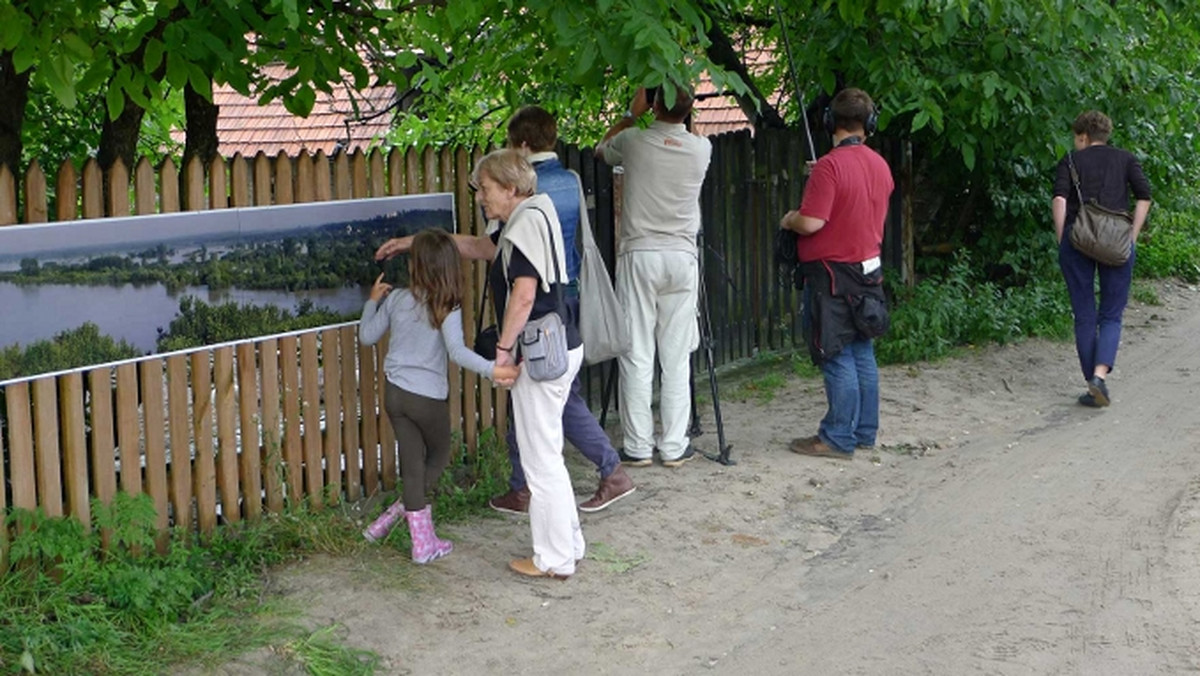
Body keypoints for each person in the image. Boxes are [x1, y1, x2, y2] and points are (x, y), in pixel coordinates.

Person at [380, 150, 586, 579]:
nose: (479, 197)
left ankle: (554, 558)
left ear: (510, 187)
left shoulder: (524, 224)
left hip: (539, 351)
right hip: (561, 343)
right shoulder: (531, 213)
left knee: (540, 460)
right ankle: (569, 544)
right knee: (549, 452)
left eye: (486, 189)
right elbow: (477, 247)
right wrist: (414, 241)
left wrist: (504, 351)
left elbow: (524, 296)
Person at [486, 105, 635, 515]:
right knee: (552, 393)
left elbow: (499, 253)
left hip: (538, 305)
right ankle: (523, 486)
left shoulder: (525, 191)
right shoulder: (569, 179)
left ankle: (608, 471)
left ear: (521, 144)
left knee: (554, 398)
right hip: (570, 297)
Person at [359, 228, 519, 563]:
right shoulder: (446, 305)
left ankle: (411, 534)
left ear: (416, 265)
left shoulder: (398, 299)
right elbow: (457, 353)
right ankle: (408, 525)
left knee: (413, 466)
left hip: (395, 395)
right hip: (426, 398)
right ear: (448, 266)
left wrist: (372, 301)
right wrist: (493, 369)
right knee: (439, 455)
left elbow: (367, 336)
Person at [596, 84, 712, 468]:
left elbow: (601, 150)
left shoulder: (633, 140)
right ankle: (675, 447)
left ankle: (638, 445)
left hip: (640, 253)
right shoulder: (702, 149)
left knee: (637, 352)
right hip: (682, 256)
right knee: (677, 356)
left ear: (654, 103)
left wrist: (632, 113)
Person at [780, 87, 894, 460]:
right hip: (868, 273)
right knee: (863, 351)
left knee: (836, 353)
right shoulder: (878, 164)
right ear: (868, 123)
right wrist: (823, 178)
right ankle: (864, 432)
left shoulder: (830, 167)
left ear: (831, 121)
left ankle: (836, 438)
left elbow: (812, 222)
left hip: (831, 276)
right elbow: (855, 195)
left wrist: (789, 219)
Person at [1052, 110, 1152, 407]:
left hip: (1077, 239)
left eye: (1076, 138)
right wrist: (1131, 235)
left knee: (1084, 315)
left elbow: (1059, 199)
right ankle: (1100, 377)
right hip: (1117, 242)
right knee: (1111, 315)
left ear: (1083, 136)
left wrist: (1063, 239)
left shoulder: (1070, 160)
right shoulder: (1126, 159)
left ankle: (1091, 385)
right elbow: (1144, 196)